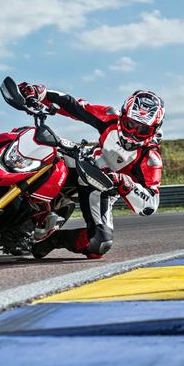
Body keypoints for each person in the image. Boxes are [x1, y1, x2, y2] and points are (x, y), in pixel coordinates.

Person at [18, 82, 165, 259]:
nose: (133, 133)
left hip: (103, 189)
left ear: (154, 129)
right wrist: (41, 93)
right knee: (45, 146)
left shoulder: (150, 159)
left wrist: (125, 183)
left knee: (100, 243)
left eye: (142, 129)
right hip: (84, 162)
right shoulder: (110, 117)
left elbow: (149, 205)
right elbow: (75, 106)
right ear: (122, 116)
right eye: (130, 124)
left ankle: (50, 240)